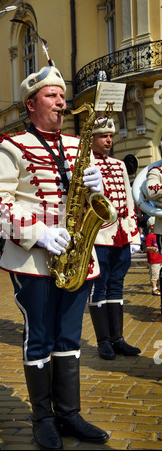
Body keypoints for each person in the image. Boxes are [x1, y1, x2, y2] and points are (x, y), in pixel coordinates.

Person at [0, 65, 109, 450]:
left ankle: (69, 413)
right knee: (39, 337)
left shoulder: (78, 146)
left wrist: (97, 186)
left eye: (61, 94)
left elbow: (104, 207)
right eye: (51, 96)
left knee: (69, 336)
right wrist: (39, 233)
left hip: (78, 257)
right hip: (35, 260)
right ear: (31, 104)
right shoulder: (9, 147)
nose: (61, 101)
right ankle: (42, 418)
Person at [88, 117, 141, 360]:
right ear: (92, 139)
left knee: (117, 285)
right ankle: (103, 341)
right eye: (102, 135)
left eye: (110, 136)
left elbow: (129, 199)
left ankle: (118, 338)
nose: (108, 140)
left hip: (120, 234)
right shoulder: (85, 164)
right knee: (100, 287)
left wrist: (134, 233)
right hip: (99, 235)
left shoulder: (119, 165)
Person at [145, 216, 162, 295]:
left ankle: (159, 287)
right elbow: (146, 248)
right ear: (152, 226)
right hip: (154, 259)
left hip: (160, 258)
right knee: (154, 274)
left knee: (160, 275)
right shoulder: (149, 236)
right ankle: (154, 288)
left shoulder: (159, 235)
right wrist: (152, 248)